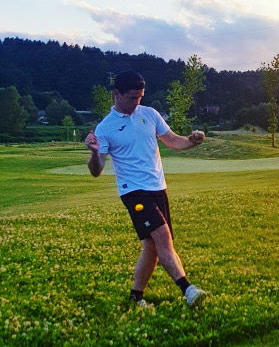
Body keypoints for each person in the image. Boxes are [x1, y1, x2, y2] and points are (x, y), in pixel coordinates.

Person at [85, 70, 207, 308]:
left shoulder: (150, 114)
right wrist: (93, 153)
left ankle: (135, 297)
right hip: (133, 192)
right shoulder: (105, 128)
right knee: (162, 237)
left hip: (158, 188)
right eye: (132, 98)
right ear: (116, 94)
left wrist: (193, 140)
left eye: (140, 97)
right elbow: (96, 169)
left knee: (152, 247)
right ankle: (188, 290)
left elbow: (173, 141)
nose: (137, 102)